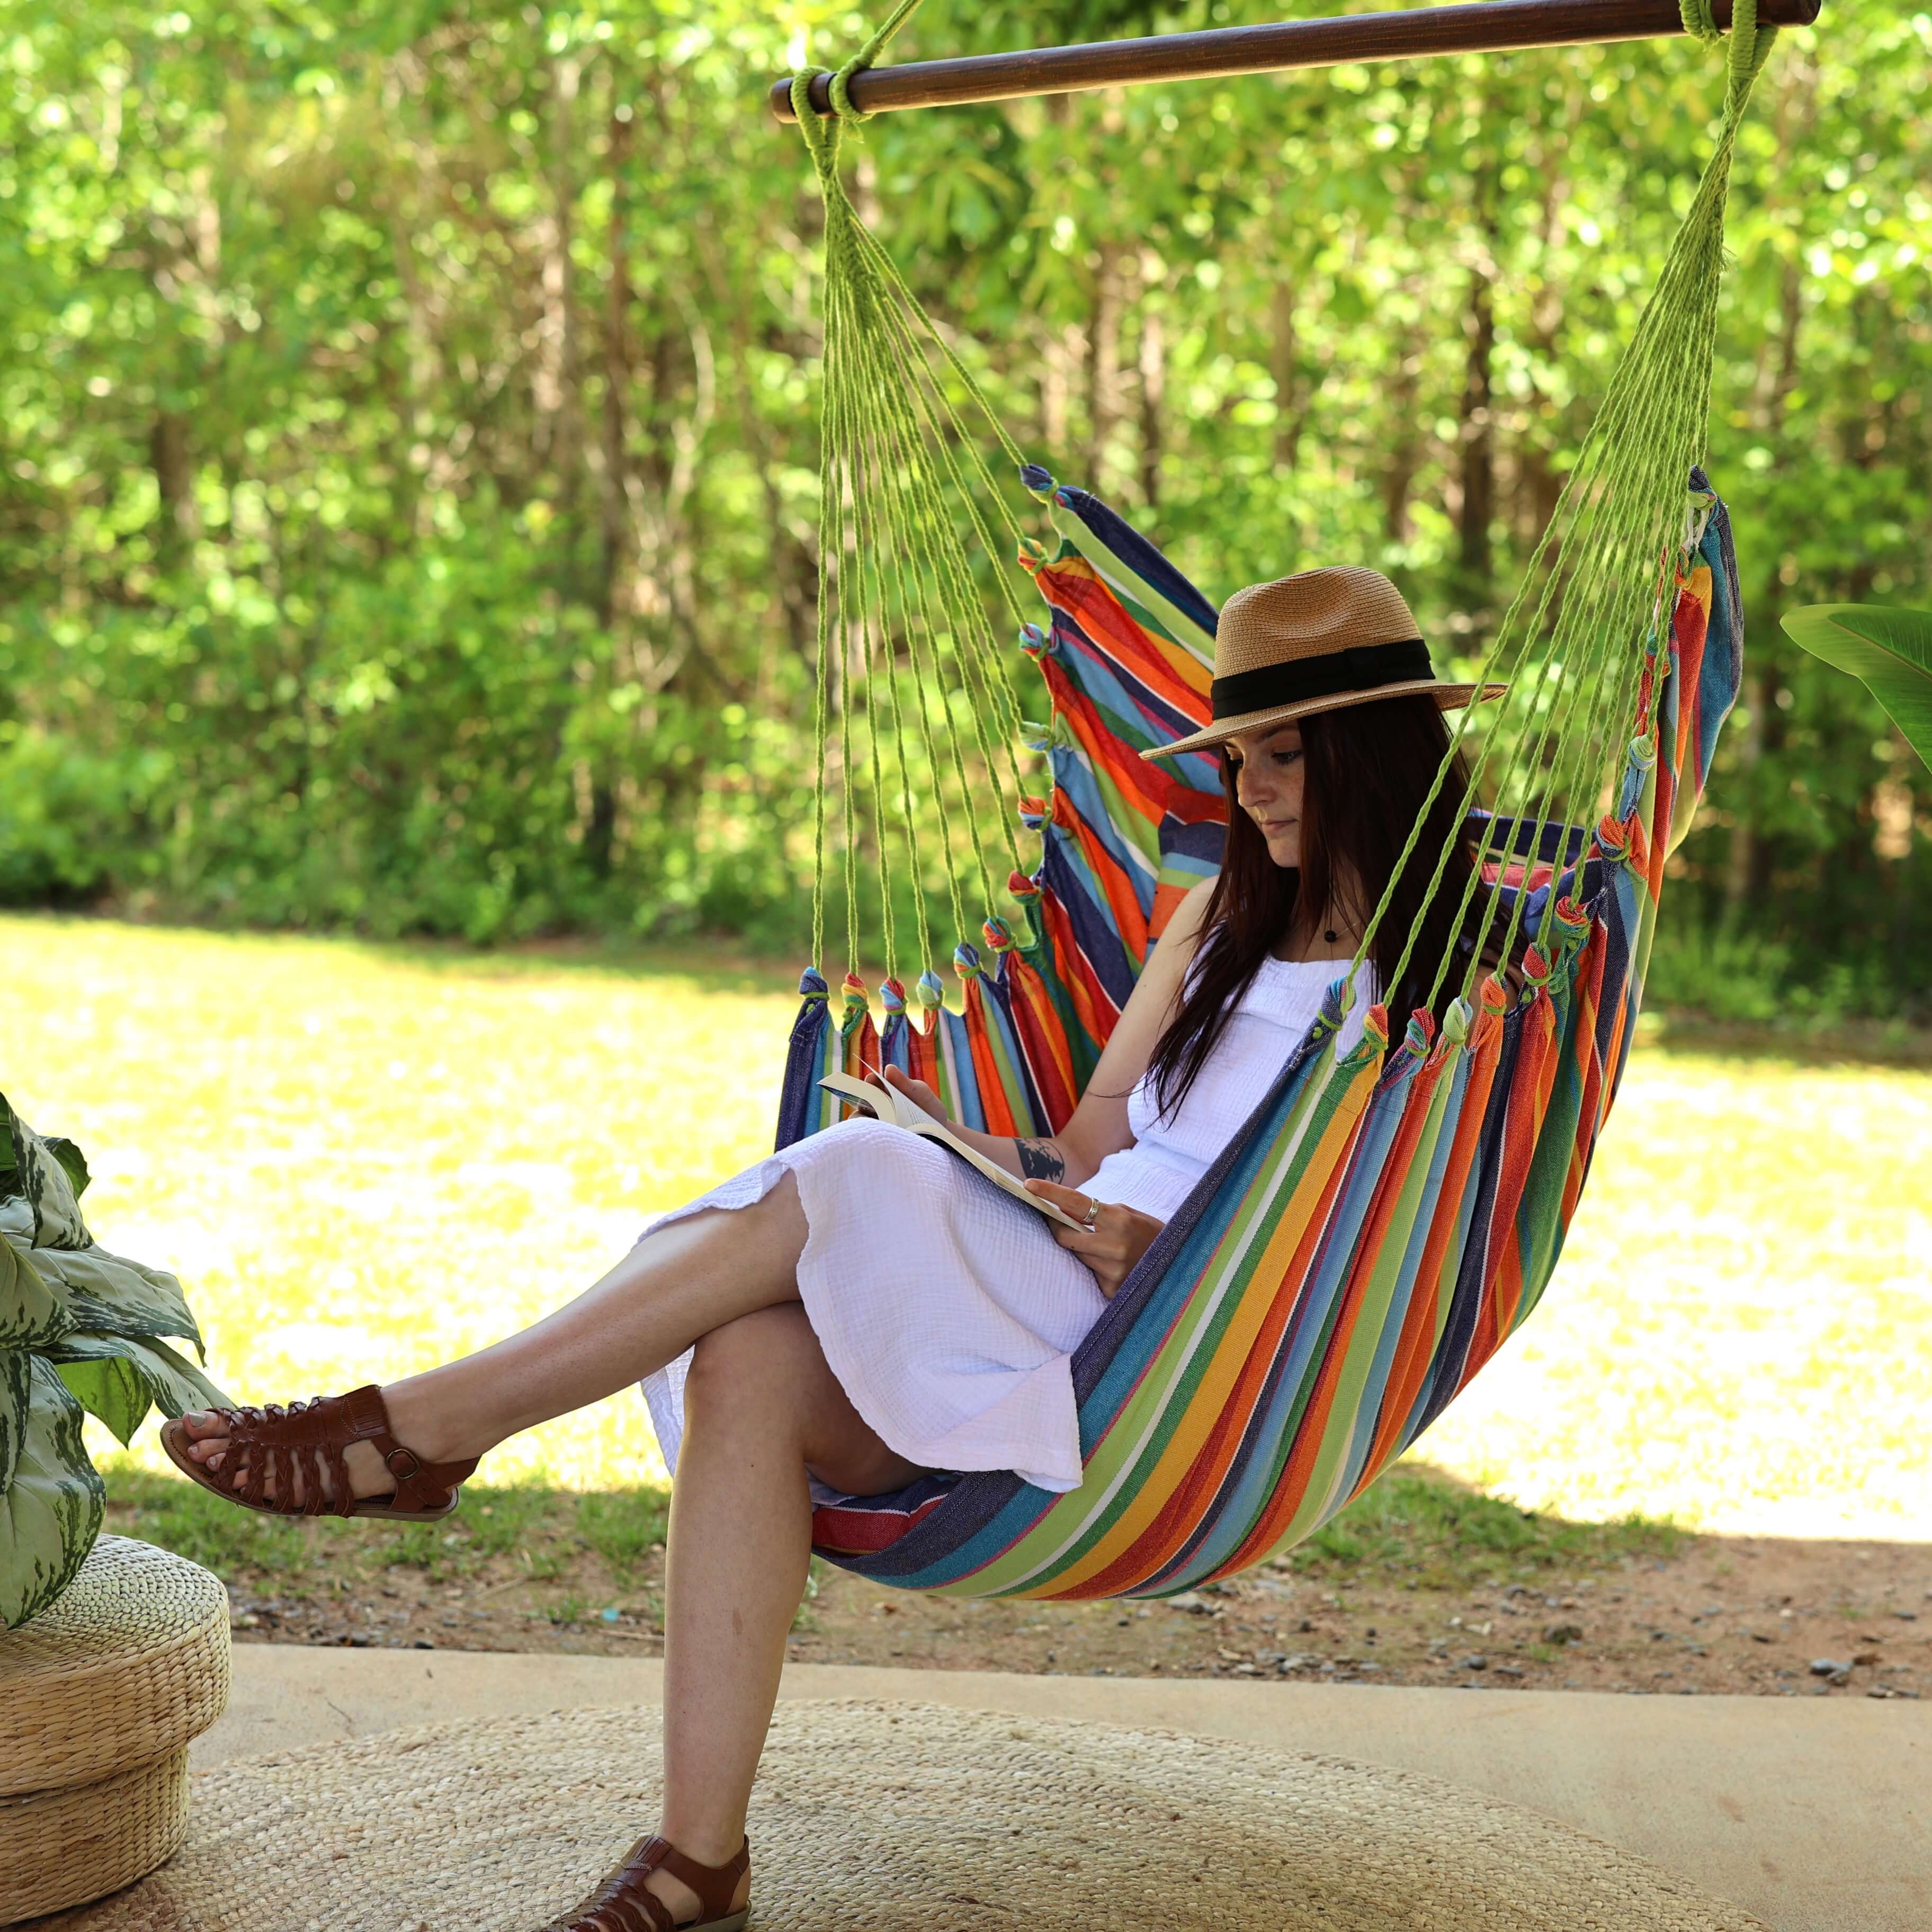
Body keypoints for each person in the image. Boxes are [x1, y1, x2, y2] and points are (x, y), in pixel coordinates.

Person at [164, 566, 1501, 1932]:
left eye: (1282, 757)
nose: (1254, 791)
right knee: (750, 1354)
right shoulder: (1217, 922)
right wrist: (1005, 1170)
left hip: (1177, 1344)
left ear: (1370, 752)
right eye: (1236, 760)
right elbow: (1095, 1138)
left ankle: (433, 1429)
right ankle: (698, 1860)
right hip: (1059, 1265)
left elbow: (1350, 1225)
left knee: (852, 1171)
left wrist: (1162, 1253)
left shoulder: (1451, 980)